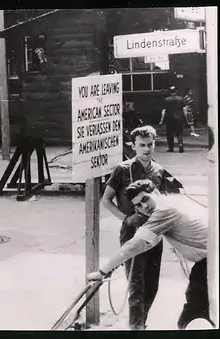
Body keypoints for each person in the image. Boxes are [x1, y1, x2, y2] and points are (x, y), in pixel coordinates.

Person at [89, 179, 213, 330]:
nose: (144, 207)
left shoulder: (164, 211)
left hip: (210, 262)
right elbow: (148, 242)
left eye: (145, 199)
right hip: (210, 260)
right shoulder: (172, 201)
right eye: (138, 205)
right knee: (207, 312)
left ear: (155, 192)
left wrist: (103, 271)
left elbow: (135, 245)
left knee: (189, 319)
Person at [102, 125, 169, 330]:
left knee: (152, 286)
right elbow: (106, 200)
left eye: (150, 144)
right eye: (142, 145)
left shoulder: (159, 170)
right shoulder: (122, 169)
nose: (146, 149)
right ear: (134, 146)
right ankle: (136, 327)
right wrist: (125, 218)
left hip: (155, 233)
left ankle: (141, 323)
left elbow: (168, 201)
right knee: (136, 286)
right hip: (132, 232)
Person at [159, 86, 187, 153]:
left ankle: (171, 148)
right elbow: (184, 110)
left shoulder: (166, 99)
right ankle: (180, 145)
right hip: (179, 119)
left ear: (170, 92)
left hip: (169, 119)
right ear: (176, 91)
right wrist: (186, 119)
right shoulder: (181, 99)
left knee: (169, 133)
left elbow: (163, 111)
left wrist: (161, 120)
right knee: (180, 132)